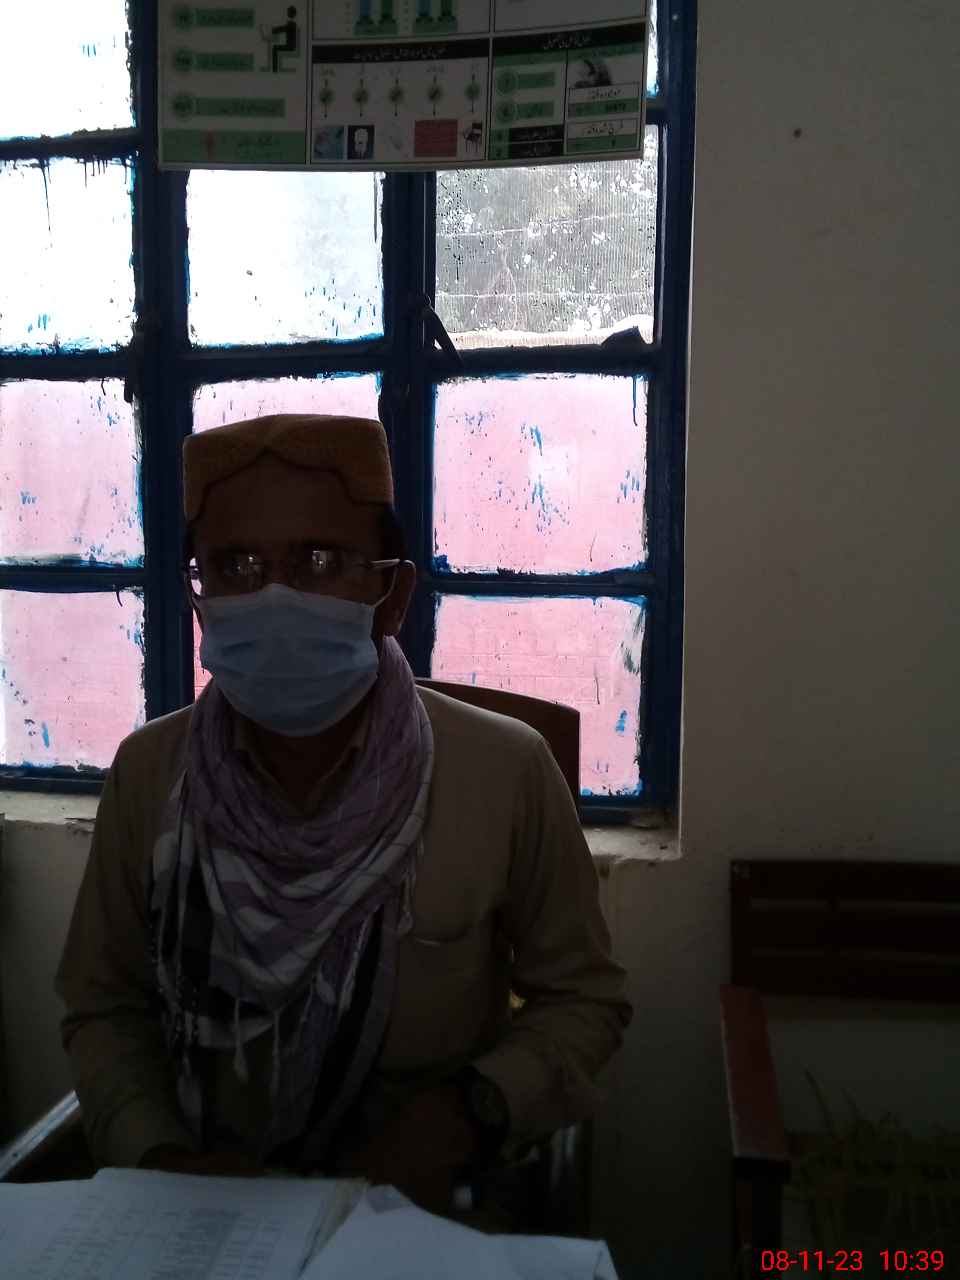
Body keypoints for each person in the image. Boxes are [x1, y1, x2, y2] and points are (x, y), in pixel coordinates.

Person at [54, 413, 632, 1221]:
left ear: (392, 596)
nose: (274, 597)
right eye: (236, 565)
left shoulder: (505, 772)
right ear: (197, 595)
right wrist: (163, 1158)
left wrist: (470, 1110)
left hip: (418, 1218)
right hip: (199, 1217)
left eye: (320, 561)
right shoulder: (149, 776)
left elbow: (585, 999)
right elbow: (105, 1007)